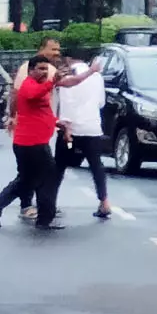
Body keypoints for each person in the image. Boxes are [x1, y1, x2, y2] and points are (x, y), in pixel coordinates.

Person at [0, 58, 64, 229]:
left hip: (29, 142)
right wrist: (52, 82)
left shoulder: (40, 86)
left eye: (47, 69)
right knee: (48, 177)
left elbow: (40, 111)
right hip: (32, 143)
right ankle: (44, 219)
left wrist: (57, 122)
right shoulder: (29, 85)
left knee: (26, 180)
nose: (44, 72)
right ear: (30, 71)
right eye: (41, 69)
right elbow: (32, 94)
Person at [52, 54, 113, 220]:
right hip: (91, 129)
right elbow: (101, 103)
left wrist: (64, 125)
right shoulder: (97, 76)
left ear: (68, 59)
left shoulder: (66, 76)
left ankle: (51, 203)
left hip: (69, 132)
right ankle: (104, 201)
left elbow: (64, 102)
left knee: (59, 165)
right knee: (96, 165)